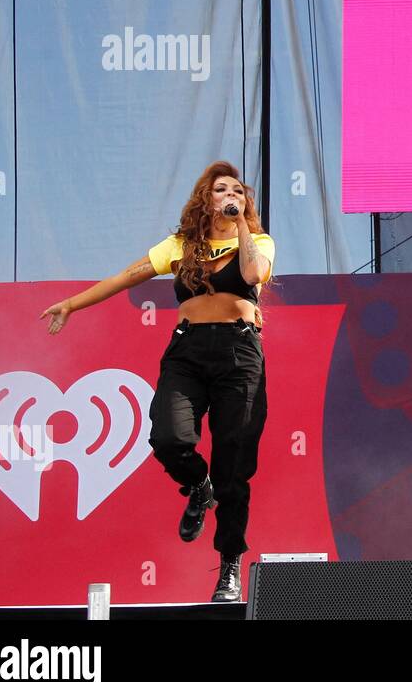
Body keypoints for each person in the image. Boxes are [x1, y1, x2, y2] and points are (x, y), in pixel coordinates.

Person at [41, 161, 274, 602]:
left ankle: (228, 566)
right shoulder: (180, 246)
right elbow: (125, 277)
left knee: (234, 467)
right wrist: (71, 304)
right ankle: (196, 485)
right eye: (221, 190)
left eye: (238, 192)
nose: (230, 196)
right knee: (169, 438)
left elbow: (252, 275)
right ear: (204, 198)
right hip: (187, 350)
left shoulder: (258, 241)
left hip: (239, 354)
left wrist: (240, 223)